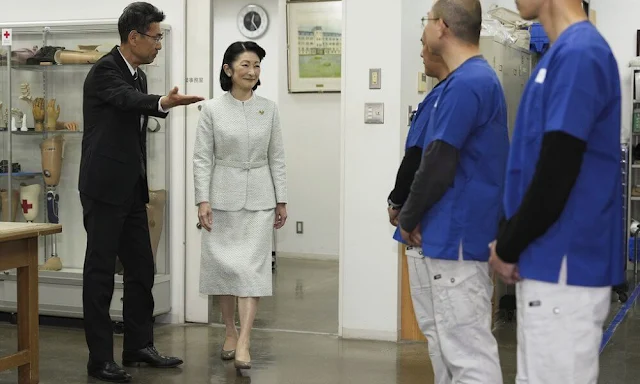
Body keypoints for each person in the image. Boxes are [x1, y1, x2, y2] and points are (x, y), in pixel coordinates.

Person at [488, 0, 623, 383]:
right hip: (547, 267)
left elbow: (557, 169)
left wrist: (510, 244)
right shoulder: (559, 54)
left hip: (565, 269)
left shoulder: (581, 53)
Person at [79, 2, 203, 382]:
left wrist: (157, 102)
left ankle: (137, 345)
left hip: (131, 188)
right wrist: (163, 103)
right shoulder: (105, 71)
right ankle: (100, 359)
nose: (159, 45)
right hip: (103, 189)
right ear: (134, 38)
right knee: (100, 275)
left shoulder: (138, 75)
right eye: (156, 37)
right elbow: (125, 101)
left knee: (142, 267)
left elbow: (133, 113)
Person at [397, 0, 508, 382]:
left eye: (426, 21)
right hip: (444, 236)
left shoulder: (471, 82)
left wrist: (408, 215)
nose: (424, 29)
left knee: (467, 352)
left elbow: (439, 160)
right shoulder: (460, 82)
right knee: (445, 345)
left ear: (441, 26)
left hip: (458, 237)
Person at [193, 41, 288, 370]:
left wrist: (282, 199)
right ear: (228, 69)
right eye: (245, 65)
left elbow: (277, 157)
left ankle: (245, 339)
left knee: (252, 271)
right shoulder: (212, 110)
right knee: (225, 269)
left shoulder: (269, 108)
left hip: (261, 199)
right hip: (222, 198)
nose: (252, 71)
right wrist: (202, 199)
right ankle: (229, 331)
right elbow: (203, 159)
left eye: (257, 65)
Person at [388, 23, 452, 384]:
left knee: (444, 325)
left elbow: (422, 158)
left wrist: (399, 206)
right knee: (434, 324)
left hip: (429, 225)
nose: (420, 51)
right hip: (423, 223)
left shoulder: (451, 94)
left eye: (423, 43)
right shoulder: (437, 95)